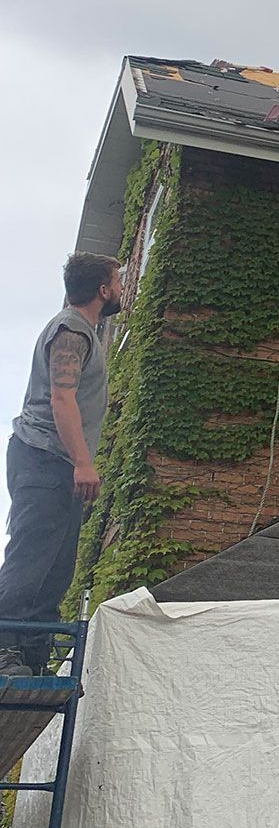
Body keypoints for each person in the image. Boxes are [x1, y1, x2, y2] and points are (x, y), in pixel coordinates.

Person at [0, 254, 123, 672]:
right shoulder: (71, 329)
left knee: (54, 571)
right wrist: (84, 463)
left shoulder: (86, 330)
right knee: (31, 556)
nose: (122, 288)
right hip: (45, 459)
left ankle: (29, 659)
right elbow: (61, 397)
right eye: (118, 280)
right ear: (103, 290)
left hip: (57, 467)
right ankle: (2, 651)